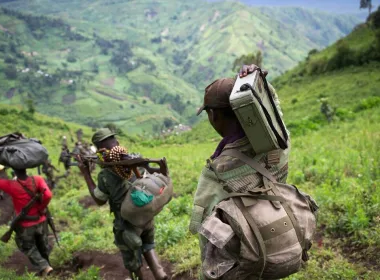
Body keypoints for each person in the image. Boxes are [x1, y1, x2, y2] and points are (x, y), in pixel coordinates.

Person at [189, 65, 290, 279]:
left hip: (242, 258)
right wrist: (260, 84)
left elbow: (207, 231)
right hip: (274, 238)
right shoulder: (279, 144)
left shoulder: (219, 170)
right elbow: (275, 109)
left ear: (214, 115)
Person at [74, 128, 168, 280]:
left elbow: (99, 200)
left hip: (126, 223)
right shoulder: (135, 161)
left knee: (131, 259)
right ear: (117, 144)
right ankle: (159, 273)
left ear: (100, 151)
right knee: (148, 245)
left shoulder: (106, 175)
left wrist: (85, 173)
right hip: (146, 216)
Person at [0, 150, 53, 276]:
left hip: (26, 225)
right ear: (26, 168)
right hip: (41, 221)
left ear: (14, 171)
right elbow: (48, 194)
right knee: (43, 245)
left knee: (26, 246)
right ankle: (46, 269)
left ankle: (44, 266)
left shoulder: (11, 185)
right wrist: (42, 207)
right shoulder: (37, 179)